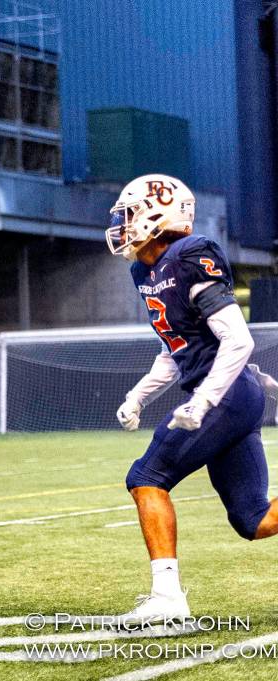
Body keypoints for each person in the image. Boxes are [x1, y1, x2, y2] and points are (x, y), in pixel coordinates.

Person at [107, 174, 278, 625]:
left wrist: (203, 402)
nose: (121, 226)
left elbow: (238, 341)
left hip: (226, 396)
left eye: (127, 215)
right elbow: (173, 347)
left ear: (154, 215)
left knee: (146, 477)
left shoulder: (190, 255)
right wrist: (138, 396)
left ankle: (167, 597)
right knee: (253, 519)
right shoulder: (143, 270)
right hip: (227, 397)